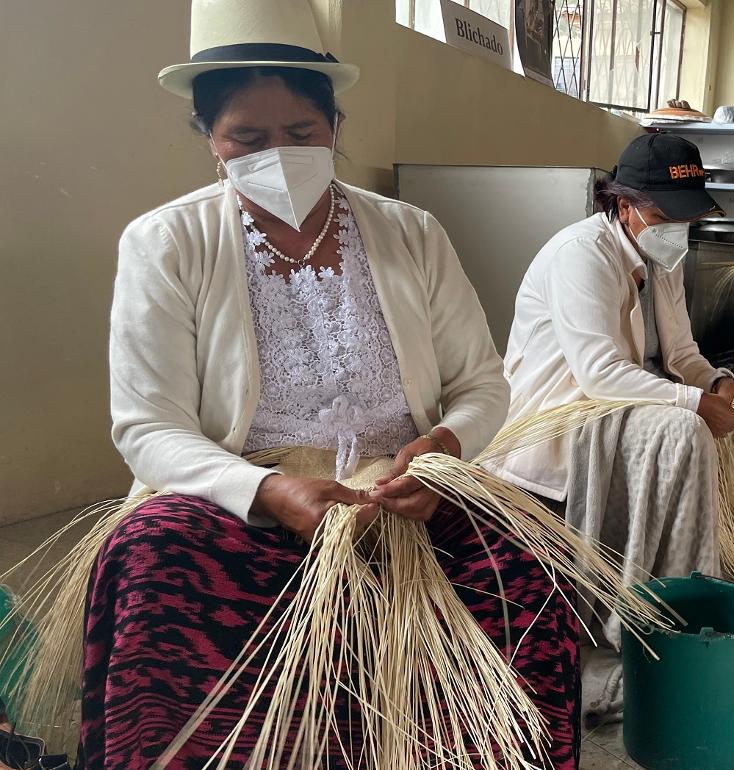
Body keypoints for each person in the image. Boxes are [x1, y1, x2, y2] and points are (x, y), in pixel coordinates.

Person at [84, 2, 579, 767]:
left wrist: (441, 452)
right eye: (247, 137)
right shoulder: (166, 242)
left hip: (401, 496)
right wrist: (269, 492)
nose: (277, 154)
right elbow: (147, 427)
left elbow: (482, 384)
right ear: (210, 140)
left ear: (336, 127)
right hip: (240, 501)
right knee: (155, 559)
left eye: (302, 133)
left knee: (524, 568)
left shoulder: (411, 234)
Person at [486, 133, 734, 715]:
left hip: (634, 396)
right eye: (662, 215)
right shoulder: (583, 253)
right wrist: (694, 405)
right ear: (622, 206)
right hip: (565, 413)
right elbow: (598, 372)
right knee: (682, 431)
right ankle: (657, 625)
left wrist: (719, 383)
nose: (677, 227)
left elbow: (681, 355)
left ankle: (733, 581)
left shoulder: (660, 258)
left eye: (687, 215)